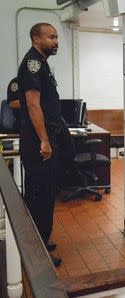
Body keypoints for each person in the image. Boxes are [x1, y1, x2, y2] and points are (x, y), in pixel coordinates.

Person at [17, 23, 64, 266]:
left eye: (57, 37)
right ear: (37, 39)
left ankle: (41, 241)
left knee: (45, 195)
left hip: (44, 140)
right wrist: (45, 140)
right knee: (40, 197)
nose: (56, 41)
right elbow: (33, 104)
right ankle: (37, 255)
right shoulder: (33, 63)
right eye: (51, 37)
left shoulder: (41, 63)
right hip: (38, 144)